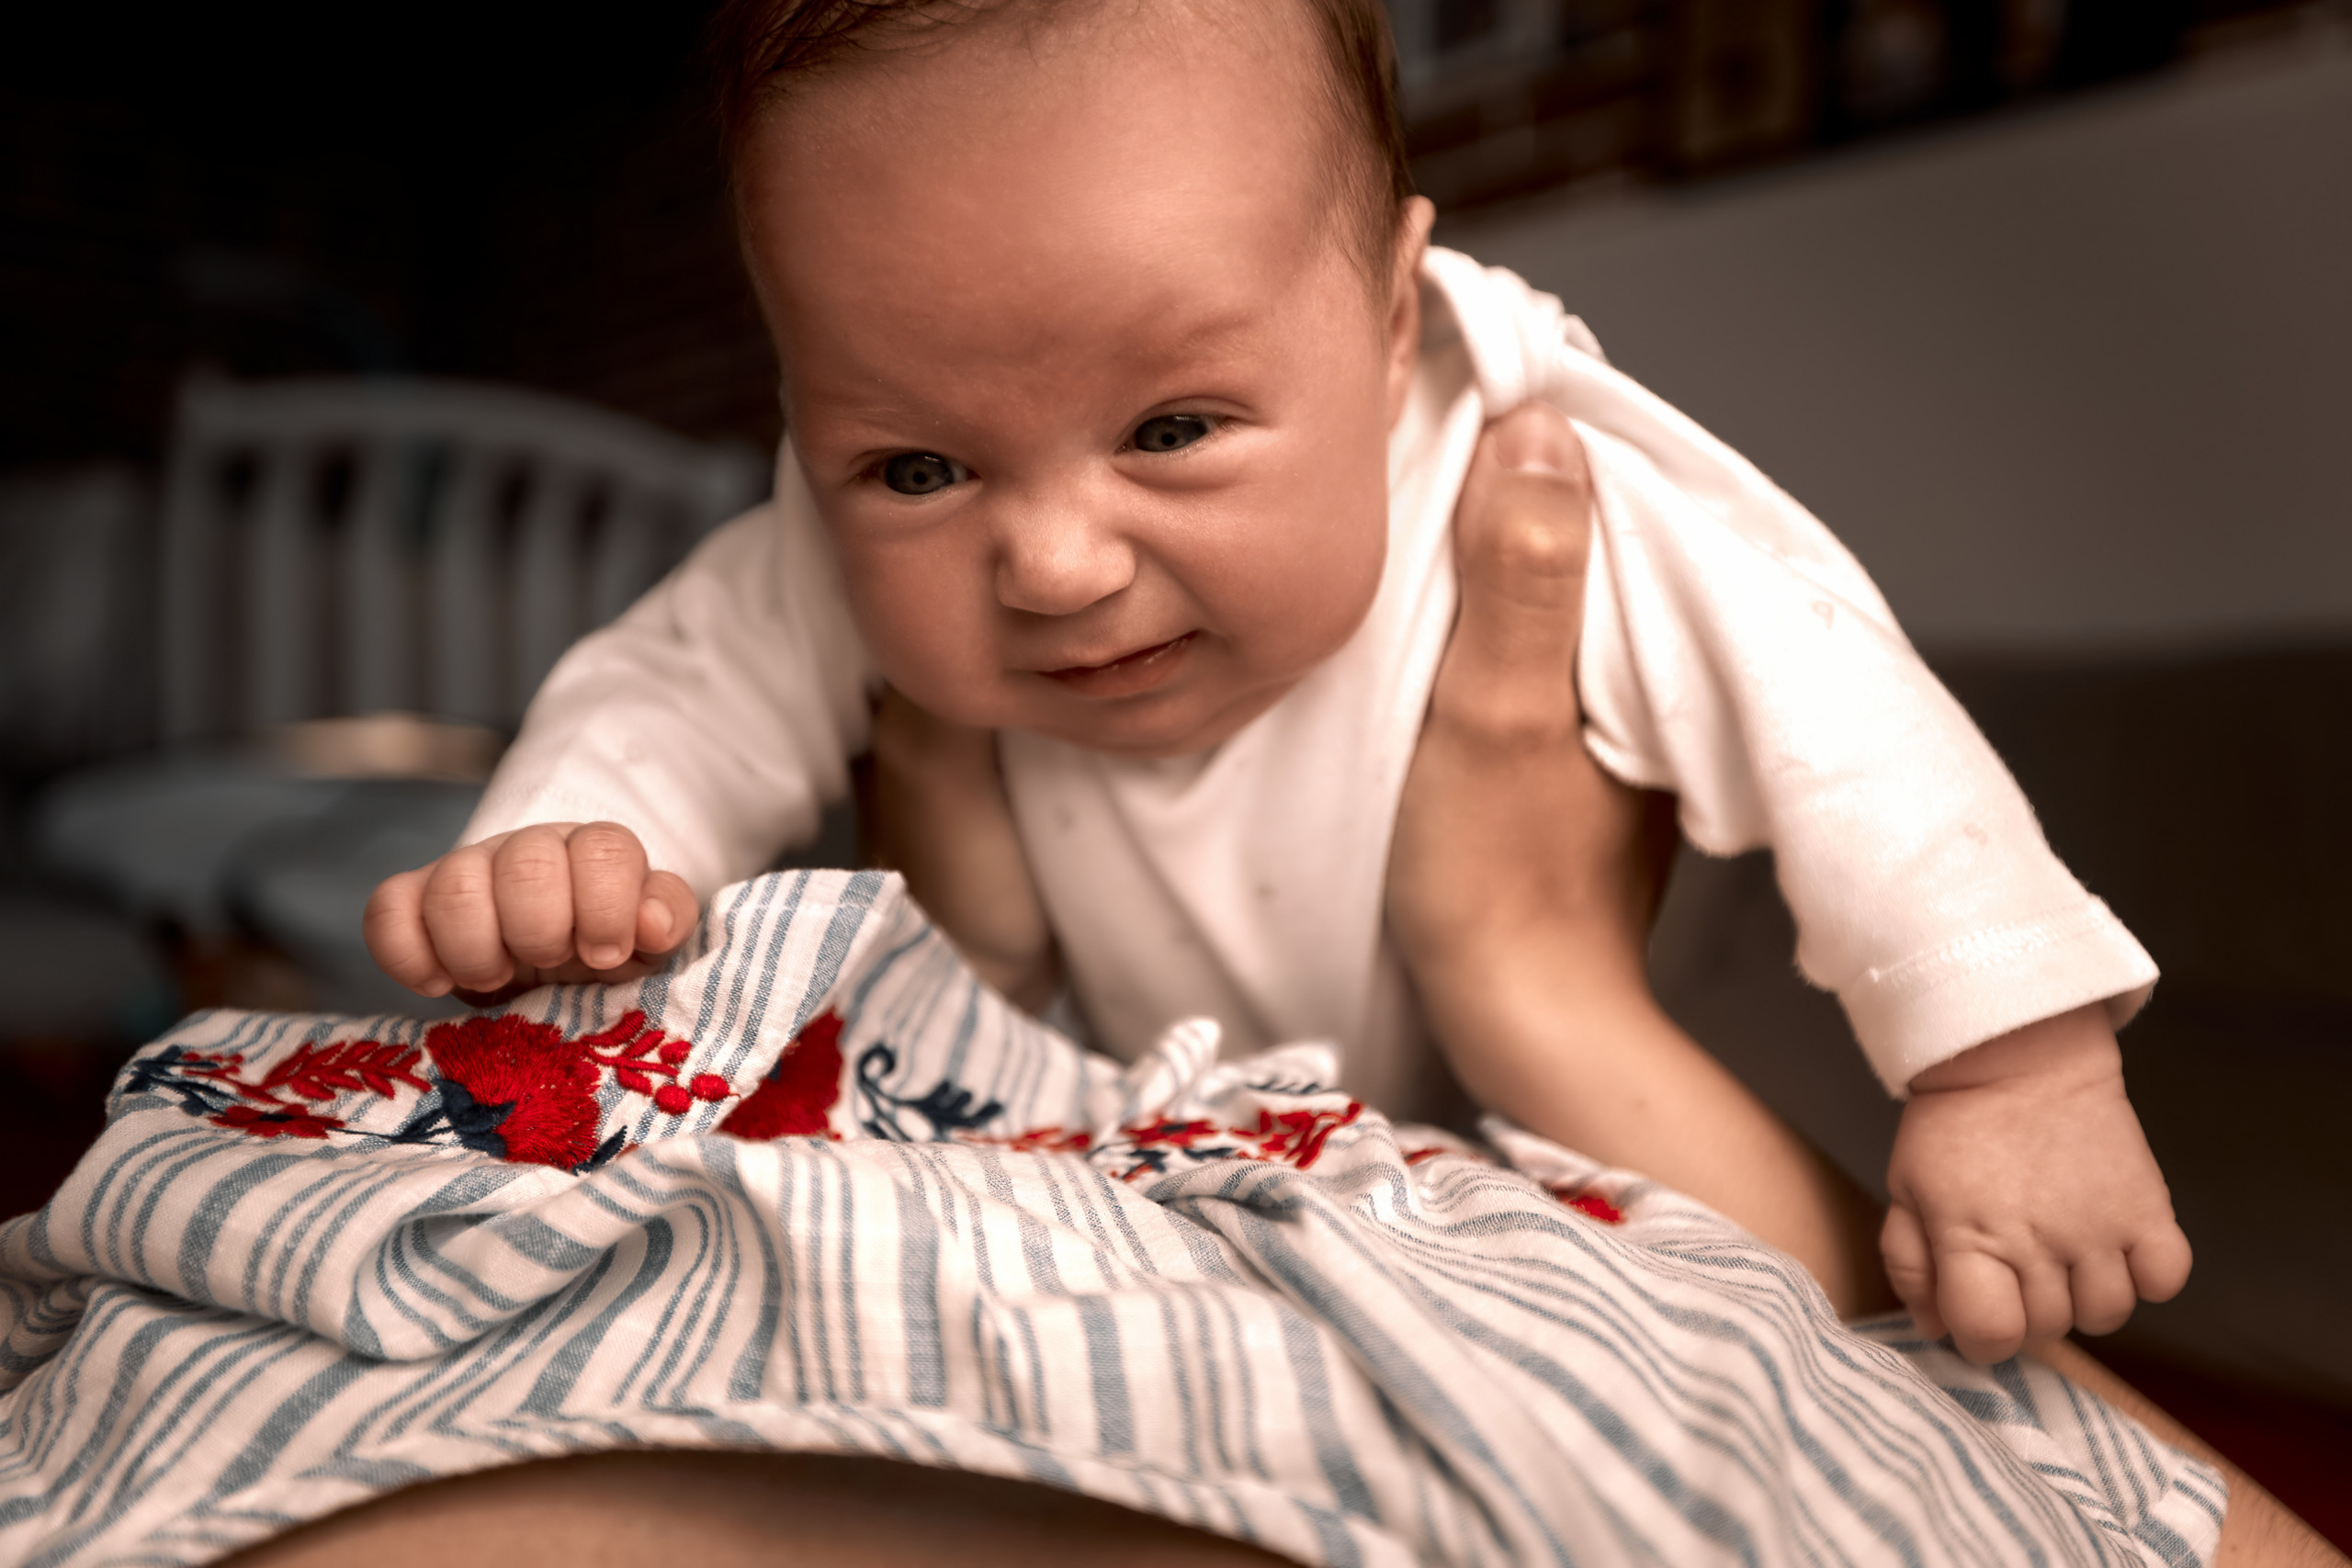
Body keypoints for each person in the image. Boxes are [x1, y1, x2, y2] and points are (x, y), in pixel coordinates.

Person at [365, 0, 2185, 1373]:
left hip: (1515, 1157)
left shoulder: (1515, 466)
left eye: (1170, 428)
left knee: (1693, 1372)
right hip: (1104, 1154)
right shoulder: (811, 546)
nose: (1053, 561)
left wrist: (2008, 1059)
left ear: (1393, 319)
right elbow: (674, 686)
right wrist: (565, 842)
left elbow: (1832, 709)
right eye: (917, 467)